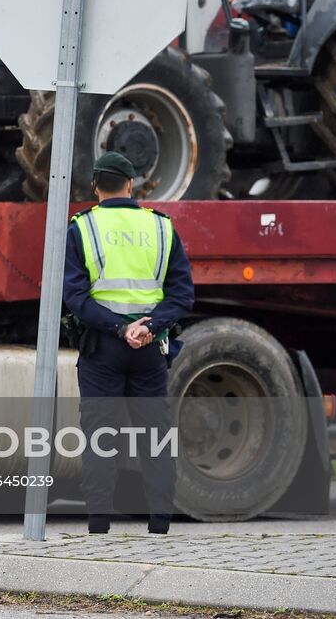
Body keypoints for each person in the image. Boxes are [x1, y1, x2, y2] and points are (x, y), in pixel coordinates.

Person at [62, 151, 194, 535]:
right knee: (155, 436)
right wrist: (149, 327)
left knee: (101, 436)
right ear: (132, 185)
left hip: (102, 348)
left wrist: (121, 329)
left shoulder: (83, 228)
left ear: (95, 186)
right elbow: (182, 295)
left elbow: (75, 298)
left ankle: (99, 525)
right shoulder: (161, 228)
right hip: (150, 349)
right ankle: (160, 524)